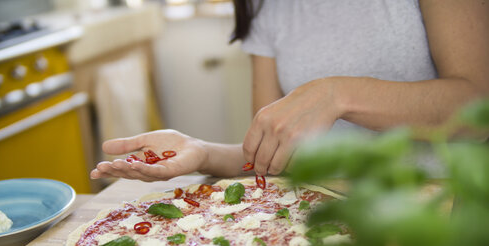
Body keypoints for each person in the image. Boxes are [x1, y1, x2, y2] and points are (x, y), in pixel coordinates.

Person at [90, 0, 489, 182]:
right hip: (327, 224)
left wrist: (337, 95)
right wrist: (201, 153)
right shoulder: (266, 7)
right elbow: (275, 159)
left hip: (442, 214)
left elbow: (477, 110)